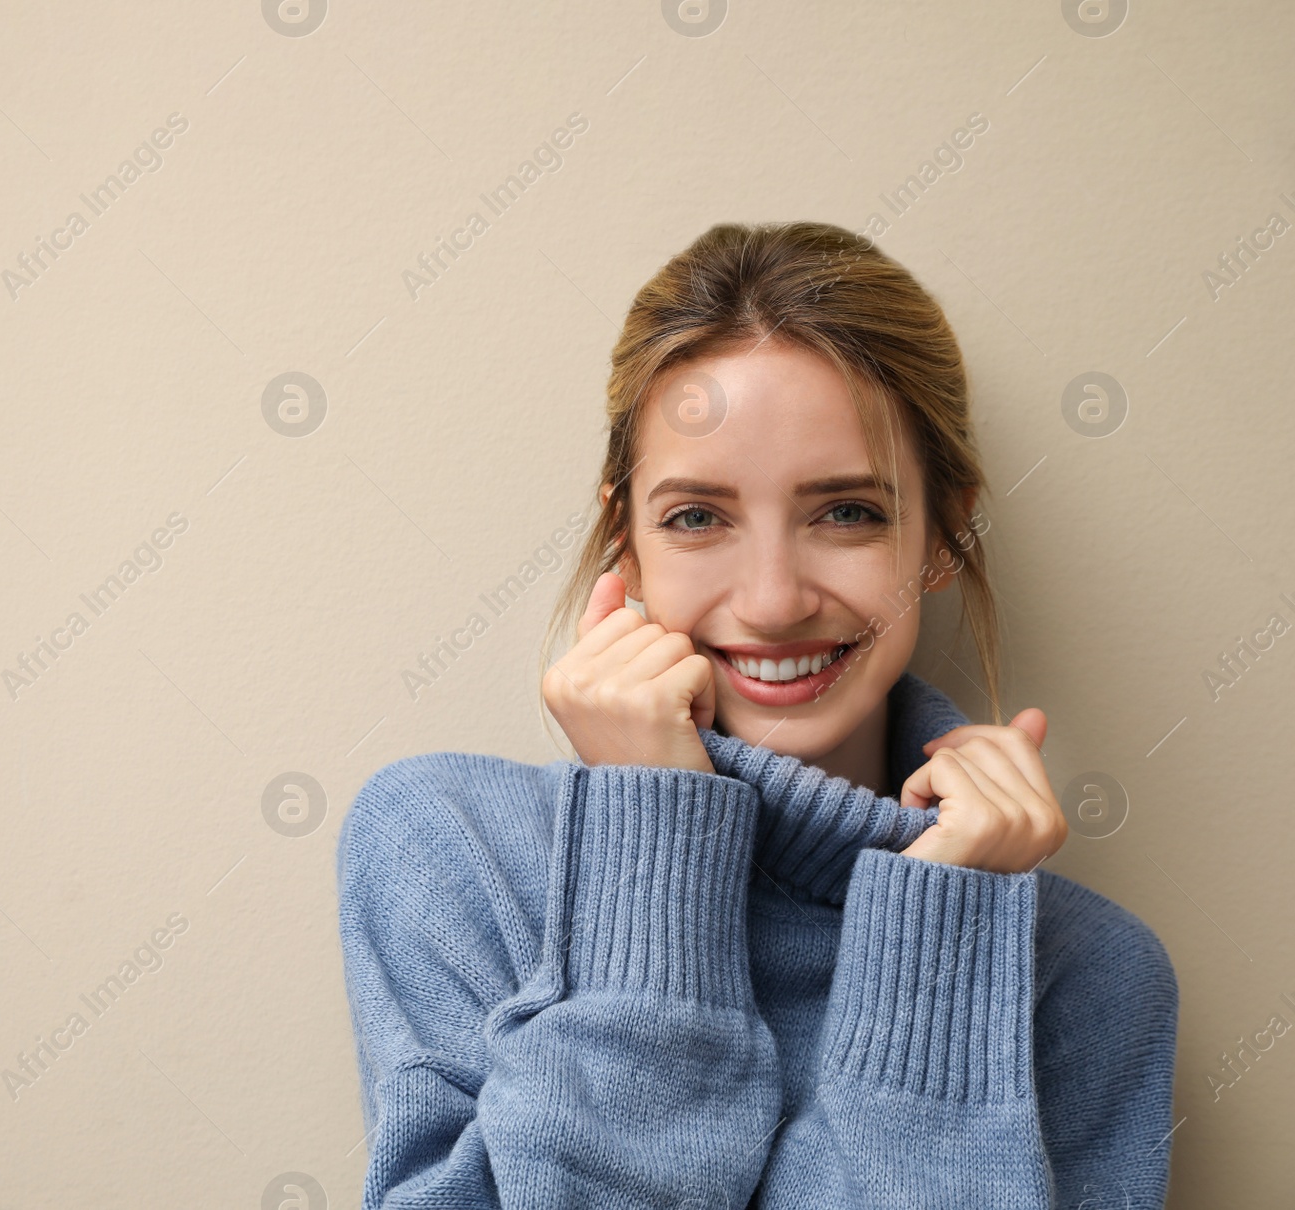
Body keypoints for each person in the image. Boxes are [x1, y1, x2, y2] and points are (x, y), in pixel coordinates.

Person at [335, 221, 1179, 1208]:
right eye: (697, 516)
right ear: (627, 537)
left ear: (945, 533)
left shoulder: (1086, 974)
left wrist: (940, 940)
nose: (773, 599)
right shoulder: (449, 847)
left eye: (848, 512)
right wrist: (652, 841)